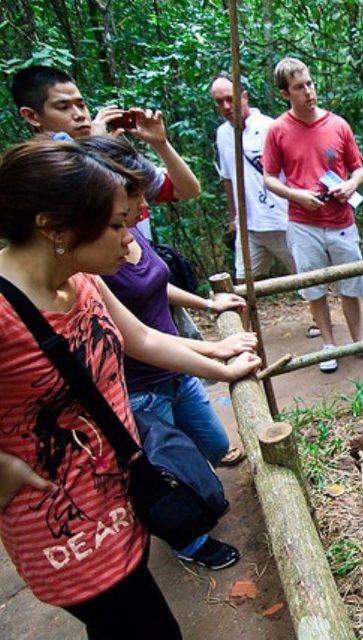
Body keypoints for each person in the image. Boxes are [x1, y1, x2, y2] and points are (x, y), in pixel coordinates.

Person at [0, 138, 259, 639]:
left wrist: (220, 365)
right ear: (53, 226)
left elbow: (139, 339)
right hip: (66, 535)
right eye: (117, 225)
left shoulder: (82, 279)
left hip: (122, 497)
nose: (130, 238)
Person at [80, 134, 253, 569]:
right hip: (140, 389)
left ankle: (198, 498)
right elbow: (138, 339)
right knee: (167, 474)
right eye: (133, 203)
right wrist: (217, 356)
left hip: (177, 370)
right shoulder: (89, 270)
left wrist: (209, 307)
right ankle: (188, 541)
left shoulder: (125, 234)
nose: (143, 210)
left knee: (210, 447)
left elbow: (154, 287)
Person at [262, 57, 363, 373]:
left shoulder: (338, 124)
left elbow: (358, 168)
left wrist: (349, 185)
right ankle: (328, 346)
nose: (308, 92)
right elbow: (268, 177)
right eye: (298, 87)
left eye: (309, 83)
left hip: (341, 220)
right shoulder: (277, 130)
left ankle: (359, 342)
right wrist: (297, 196)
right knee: (314, 285)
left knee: (351, 283)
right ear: (285, 94)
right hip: (303, 222)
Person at [11, 65, 201, 240]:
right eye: (63, 107)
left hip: (142, 268)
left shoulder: (113, 153)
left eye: (81, 104)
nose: (79, 114)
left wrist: (161, 144)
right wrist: (95, 149)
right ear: (31, 116)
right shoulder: (36, 170)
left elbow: (187, 190)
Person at [209, 73, 295, 285]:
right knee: (244, 287)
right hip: (248, 226)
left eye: (230, 99)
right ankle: (245, 320)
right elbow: (228, 177)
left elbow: (294, 169)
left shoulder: (271, 127)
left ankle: (324, 318)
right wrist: (234, 217)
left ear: (244, 96)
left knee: (308, 281)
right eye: (220, 102)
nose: (226, 106)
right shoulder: (222, 134)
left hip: (282, 220)